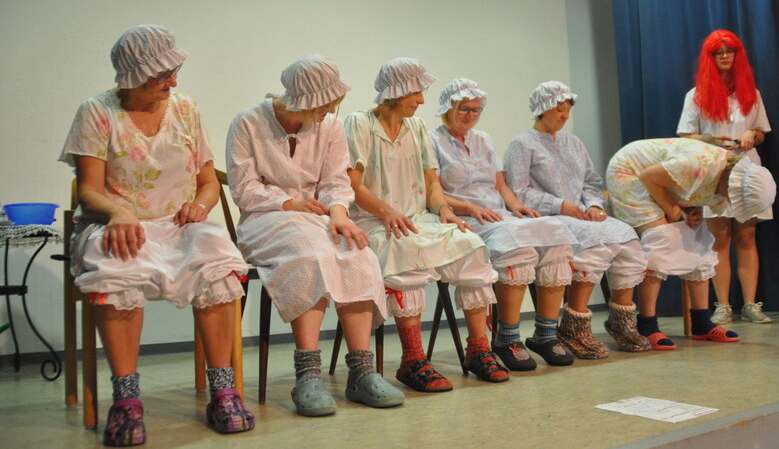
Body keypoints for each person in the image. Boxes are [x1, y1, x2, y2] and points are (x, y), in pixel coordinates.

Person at [59, 24, 254, 446]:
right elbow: (89, 189)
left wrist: (201, 205)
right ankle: (126, 399)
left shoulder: (185, 109)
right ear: (133, 75)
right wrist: (119, 211)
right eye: (161, 74)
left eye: (174, 71)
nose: (173, 81)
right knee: (116, 268)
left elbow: (206, 183)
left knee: (218, 263)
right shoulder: (96, 111)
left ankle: (223, 388)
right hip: (117, 223)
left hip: (178, 224)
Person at [226, 55, 404, 417]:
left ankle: (362, 370)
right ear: (300, 101)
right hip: (266, 218)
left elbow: (337, 182)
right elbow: (244, 188)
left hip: (319, 216)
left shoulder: (331, 125)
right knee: (309, 254)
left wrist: (340, 215)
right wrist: (290, 202)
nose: (328, 111)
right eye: (322, 105)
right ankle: (307, 374)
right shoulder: (248, 122)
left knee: (357, 252)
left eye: (332, 104)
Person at [345, 58, 507, 392]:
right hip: (374, 222)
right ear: (396, 91)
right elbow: (352, 184)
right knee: (405, 253)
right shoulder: (360, 124)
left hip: (418, 219)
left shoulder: (416, 128)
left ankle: (479, 350)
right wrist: (386, 211)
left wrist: (445, 210)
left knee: (471, 245)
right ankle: (412, 360)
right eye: (416, 92)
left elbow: (431, 184)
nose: (421, 101)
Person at [430, 78, 579, 369]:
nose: (470, 115)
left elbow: (501, 186)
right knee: (519, 251)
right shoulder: (431, 140)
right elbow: (431, 191)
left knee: (556, 239)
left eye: (476, 110)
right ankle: (507, 338)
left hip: (498, 214)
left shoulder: (483, 139)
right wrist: (470, 206)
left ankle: (546, 335)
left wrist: (518, 207)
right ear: (448, 107)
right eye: (464, 108)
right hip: (463, 218)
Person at [504, 81, 650, 358]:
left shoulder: (573, 142)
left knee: (628, 236)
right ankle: (575, 324)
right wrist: (561, 204)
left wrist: (594, 205)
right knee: (596, 241)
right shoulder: (522, 143)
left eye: (567, 110)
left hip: (582, 214)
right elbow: (518, 191)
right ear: (543, 109)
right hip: (548, 217)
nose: (564, 115)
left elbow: (591, 182)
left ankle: (622, 322)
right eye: (559, 109)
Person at [606, 137, 775, 347]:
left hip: (657, 182)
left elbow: (693, 191)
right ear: (732, 186)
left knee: (700, 240)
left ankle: (701, 323)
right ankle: (647, 324)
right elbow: (648, 176)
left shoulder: (725, 174)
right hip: (629, 173)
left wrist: (692, 211)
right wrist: (674, 211)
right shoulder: (698, 166)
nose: (731, 203)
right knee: (662, 238)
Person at [677, 29, 773, 325]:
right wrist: (713, 140)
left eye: (729, 51)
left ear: (737, 55)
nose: (724, 57)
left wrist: (751, 135)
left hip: (746, 172)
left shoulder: (751, 93)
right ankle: (722, 306)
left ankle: (750, 304)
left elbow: (761, 131)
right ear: (710, 58)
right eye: (718, 53)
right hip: (714, 171)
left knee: (747, 237)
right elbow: (684, 134)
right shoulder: (696, 95)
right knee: (719, 239)